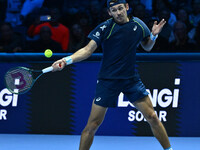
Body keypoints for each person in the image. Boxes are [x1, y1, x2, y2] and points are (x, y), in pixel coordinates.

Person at [51, 0, 173, 150]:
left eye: (120, 8)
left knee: (153, 117)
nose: (118, 13)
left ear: (127, 7)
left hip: (131, 80)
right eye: (114, 10)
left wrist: (153, 36)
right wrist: (66, 60)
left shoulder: (139, 25)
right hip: (107, 81)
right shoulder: (105, 27)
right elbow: (87, 50)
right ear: (109, 13)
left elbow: (147, 47)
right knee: (92, 125)